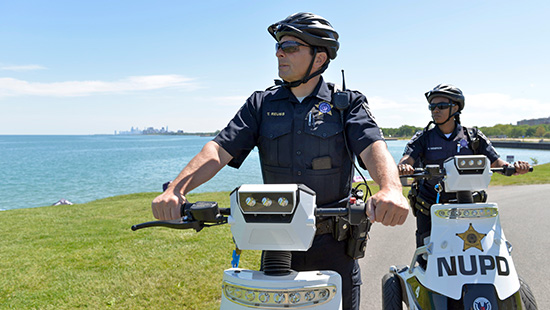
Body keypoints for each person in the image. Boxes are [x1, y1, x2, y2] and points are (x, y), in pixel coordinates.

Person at [152, 12, 409, 310]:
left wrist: (391, 189)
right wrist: (176, 190)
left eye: (289, 47)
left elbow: (373, 147)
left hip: (334, 247)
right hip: (276, 245)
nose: (278, 53)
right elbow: (218, 150)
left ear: (319, 57)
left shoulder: (346, 104)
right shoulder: (261, 104)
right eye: (278, 47)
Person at [397, 83, 530, 265]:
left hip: (468, 205)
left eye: (441, 106)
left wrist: (515, 167)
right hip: (430, 206)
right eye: (432, 107)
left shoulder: (473, 137)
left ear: (456, 108)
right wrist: (405, 167)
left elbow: (498, 163)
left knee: (476, 253)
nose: (435, 110)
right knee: (428, 257)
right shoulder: (423, 138)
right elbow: (407, 159)